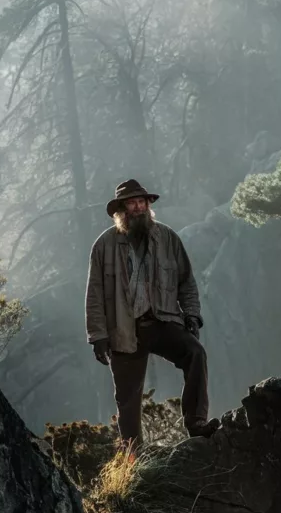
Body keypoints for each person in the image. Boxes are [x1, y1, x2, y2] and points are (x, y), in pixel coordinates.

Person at [85, 178, 219, 447]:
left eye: (142, 202)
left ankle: (196, 423)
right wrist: (97, 336)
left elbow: (186, 281)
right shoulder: (104, 245)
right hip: (124, 329)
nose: (138, 207)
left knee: (195, 353)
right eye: (132, 203)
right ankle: (133, 457)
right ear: (121, 210)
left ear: (148, 205)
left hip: (162, 320)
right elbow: (95, 294)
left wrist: (191, 315)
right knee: (128, 398)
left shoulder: (167, 238)